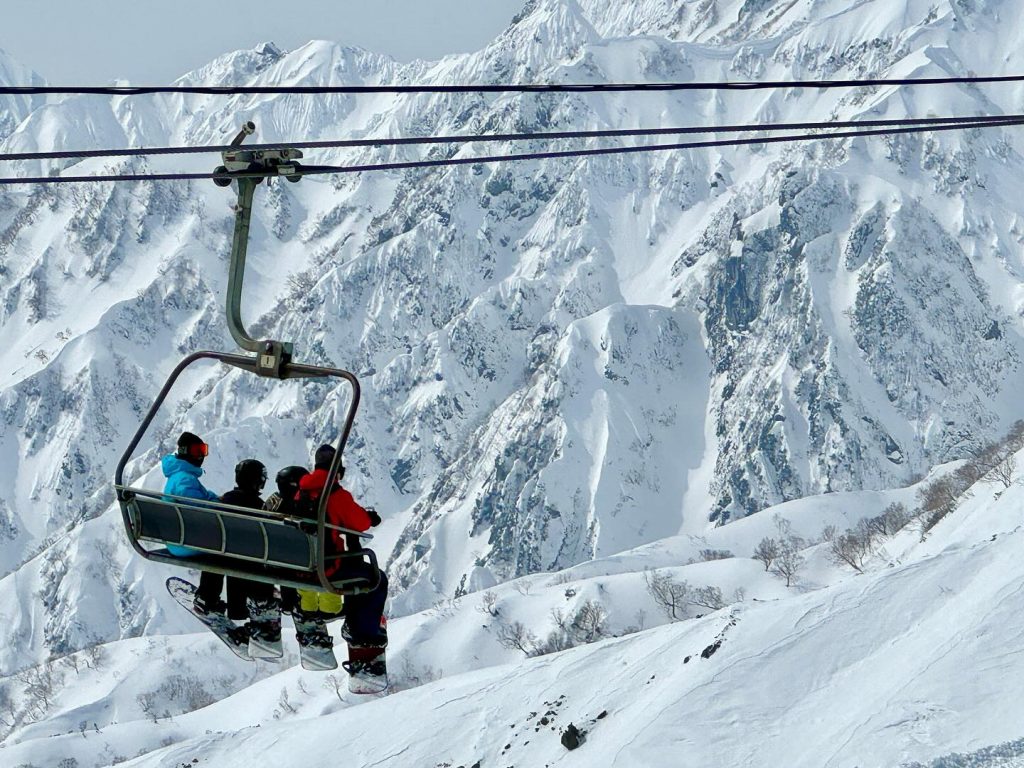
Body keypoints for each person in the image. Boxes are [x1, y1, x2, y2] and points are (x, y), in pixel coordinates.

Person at [296, 444, 388, 649]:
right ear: (337, 471)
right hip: (328, 567)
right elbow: (360, 523)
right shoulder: (335, 495)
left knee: (358, 570)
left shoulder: (300, 494)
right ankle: (362, 631)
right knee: (376, 579)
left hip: (301, 566)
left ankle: (356, 623)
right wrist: (370, 517)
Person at [161, 432, 230, 615]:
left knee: (221, 548)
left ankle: (208, 597)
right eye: (197, 450)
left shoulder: (179, 475)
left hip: (178, 536)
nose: (200, 455)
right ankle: (208, 599)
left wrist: (217, 499)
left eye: (203, 450)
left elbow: (202, 498)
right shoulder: (184, 478)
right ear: (185, 451)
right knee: (224, 550)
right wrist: (219, 505)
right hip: (184, 541)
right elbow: (198, 507)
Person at [219, 458, 282, 653]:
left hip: (227, 558)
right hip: (254, 565)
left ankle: (247, 619)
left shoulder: (224, 501)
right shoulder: (259, 506)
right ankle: (264, 628)